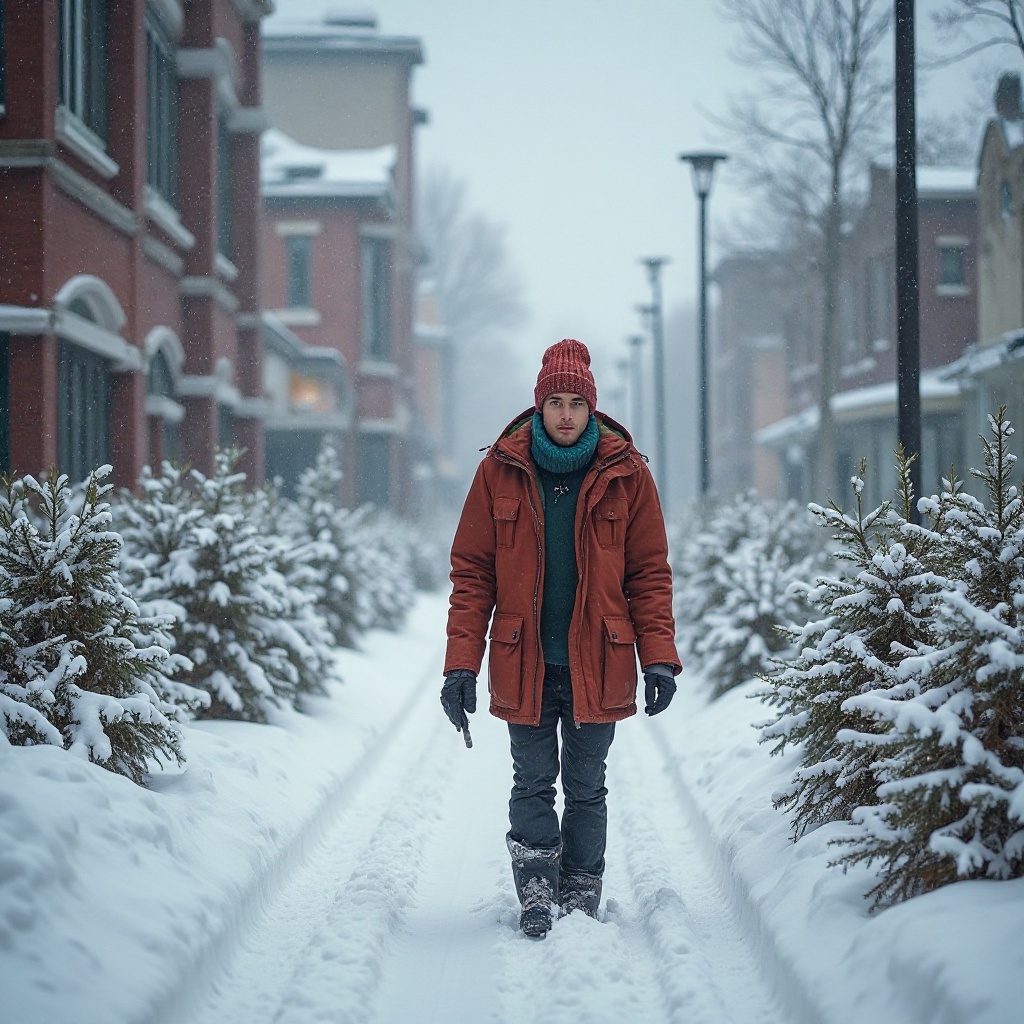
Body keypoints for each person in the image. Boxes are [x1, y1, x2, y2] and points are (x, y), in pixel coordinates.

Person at [441, 337, 682, 939]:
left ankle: (580, 885)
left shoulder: (628, 474)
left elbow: (649, 574)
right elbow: (472, 575)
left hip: (598, 660)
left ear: (592, 407)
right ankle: (536, 888)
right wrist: (460, 666)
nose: (567, 414)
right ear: (539, 405)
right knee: (531, 780)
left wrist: (658, 658)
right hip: (524, 657)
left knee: (586, 785)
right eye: (556, 402)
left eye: (577, 402)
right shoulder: (499, 470)